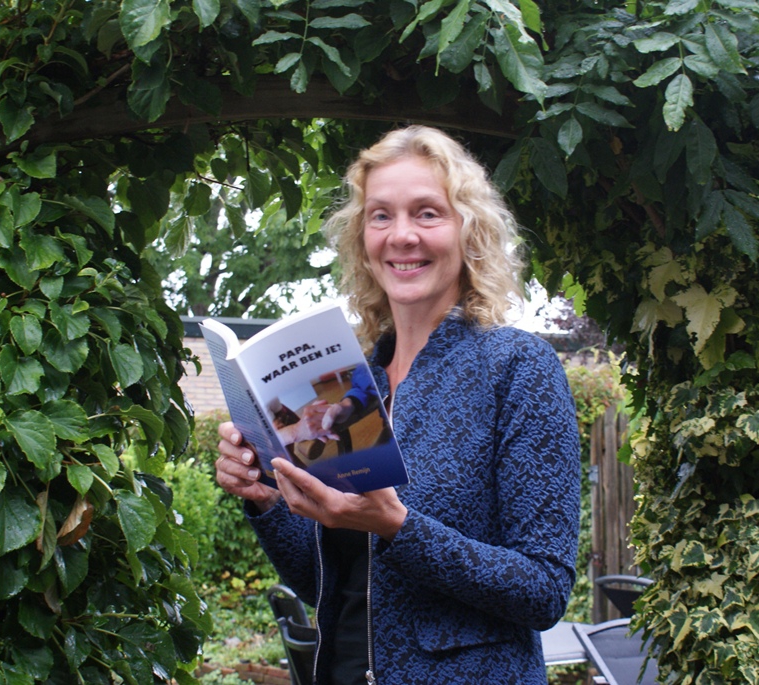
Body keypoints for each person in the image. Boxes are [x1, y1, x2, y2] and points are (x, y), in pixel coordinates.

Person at [215, 125, 581, 684]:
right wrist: (265, 500)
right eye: (381, 215)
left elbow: (543, 589)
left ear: (469, 231)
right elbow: (325, 582)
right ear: (363, 237)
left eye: (428, 213)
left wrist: (400, 528)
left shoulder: (516, 366)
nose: (401, 235)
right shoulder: (350, 383)